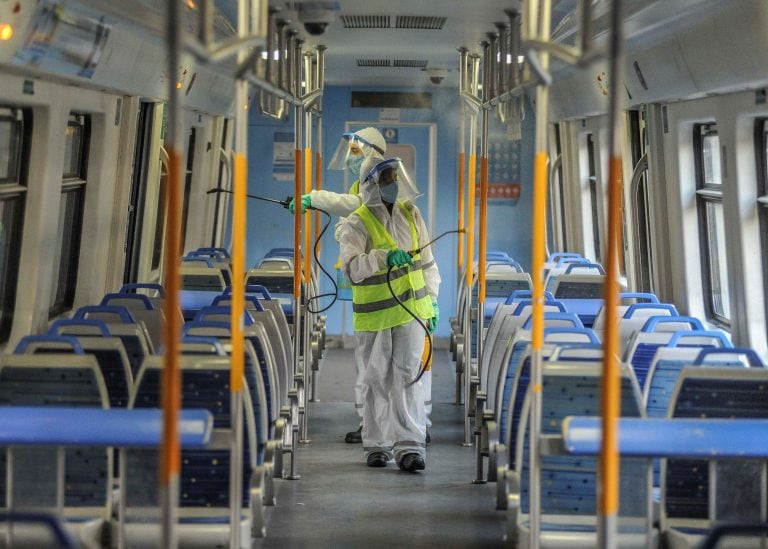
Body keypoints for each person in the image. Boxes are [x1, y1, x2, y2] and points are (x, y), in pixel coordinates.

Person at [338, 157, 440, 472]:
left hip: (412, 312)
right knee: (376, 380)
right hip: (375, 317)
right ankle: (377, 445)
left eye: (396, 177)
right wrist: (383, 257)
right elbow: (352, 268)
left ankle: (410, 447)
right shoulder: (356, 222)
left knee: (409, 379)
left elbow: (427, 264)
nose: (394, 184)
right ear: (372, 184)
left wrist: (433, 301)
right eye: (387, 179)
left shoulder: (412, 214)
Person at [289, 127, 386, 445]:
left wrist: (314, 198)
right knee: (371, 366)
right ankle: (374, 424)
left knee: (394, 368)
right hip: (373, 295)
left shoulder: (380, 189)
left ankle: (405, 427)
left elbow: (354, 206)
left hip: (390, 296)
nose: (350, 160)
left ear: (374, 153)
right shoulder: (365, 185)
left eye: (356, 153)